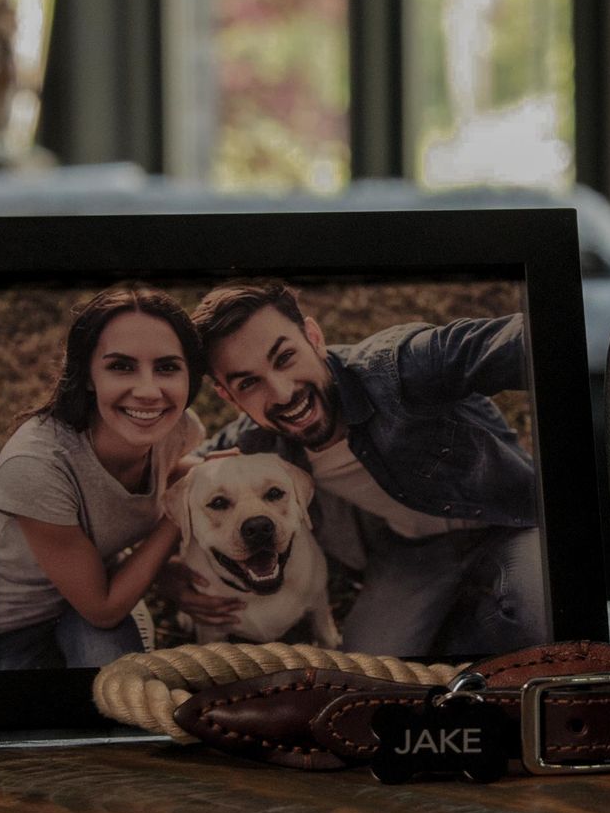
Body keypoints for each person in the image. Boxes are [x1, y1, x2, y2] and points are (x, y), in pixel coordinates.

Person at [184, 281, 548, 657]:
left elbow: (523, 340)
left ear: (313, 337)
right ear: (229, 397)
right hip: (415, 550)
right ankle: (464, 627)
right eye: (248, 383)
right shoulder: (258, 439)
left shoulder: (399, 367)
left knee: (541, 613)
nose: (281, 392)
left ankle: (477, 635)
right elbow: (178, 477)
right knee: (367, 661)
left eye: (285, 357)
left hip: (509, 521)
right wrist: (170, 575)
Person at [0, 284, 207, 670]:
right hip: (6, 630)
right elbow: (103, 609)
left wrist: (206, 475)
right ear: (85, 375)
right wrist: (178, 514)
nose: (149, 392)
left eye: (167, 367)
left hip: (94, 594)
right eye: (121, 366)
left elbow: (175, 474)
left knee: (121, 701)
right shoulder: (35, 464)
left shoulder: (177, 429)